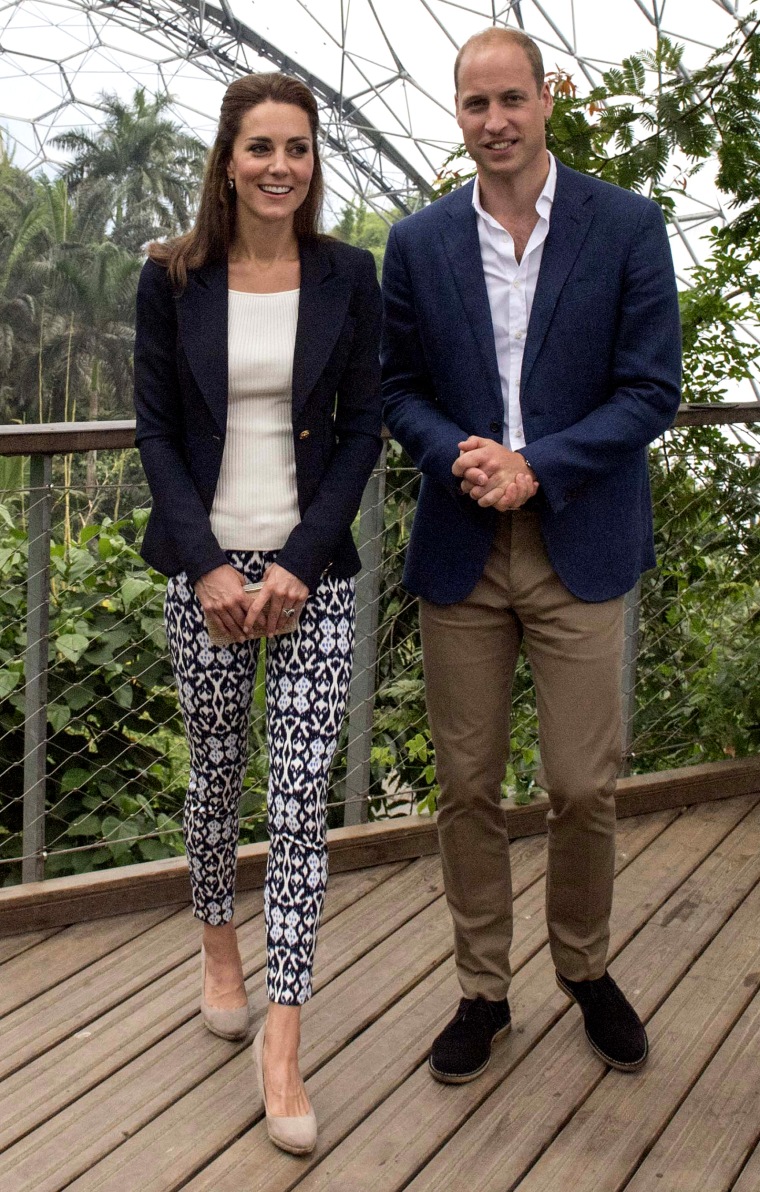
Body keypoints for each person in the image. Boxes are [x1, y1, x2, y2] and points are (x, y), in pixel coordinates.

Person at [381, 27, 681, 1083]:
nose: (495, 122)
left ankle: (585, 968)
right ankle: (483, 989)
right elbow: (396, 387)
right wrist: (457, 454)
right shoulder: (416, 243)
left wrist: (538, 466)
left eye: (512, 99)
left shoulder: (626, 226)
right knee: (464, 785)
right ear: (456, 114)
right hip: (463, 545)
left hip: (579, 540)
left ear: (547, 99)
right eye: (475, 105)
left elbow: (652, 389)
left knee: (582, 785)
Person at [133, 71, 382, 1154]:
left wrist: (302, 559)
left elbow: (365, 429)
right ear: (226, 161)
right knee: (216, 771)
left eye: (298, 146)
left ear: (311, 162)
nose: (281, 164)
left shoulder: (348, 277)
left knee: (296, 799)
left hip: (308, 573)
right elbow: (152, 431)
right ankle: (217, 945)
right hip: (209, 574)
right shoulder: (174, 278)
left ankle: (283, 1037)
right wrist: (207, 567)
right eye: (261, 146)